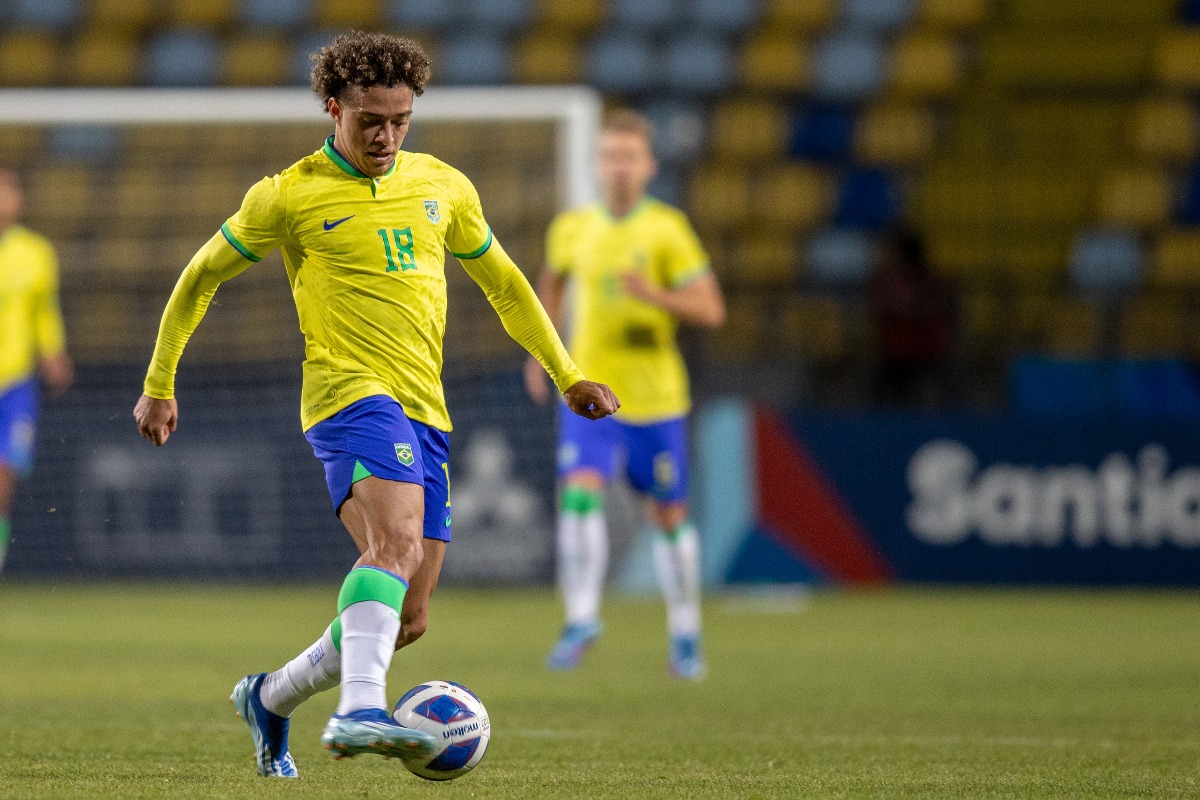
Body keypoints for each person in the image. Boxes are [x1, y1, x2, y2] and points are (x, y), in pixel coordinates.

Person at [133, 31, 618, 779]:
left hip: (426, 408)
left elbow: (507, 286)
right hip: (347, 394)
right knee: (392, 547)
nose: (387, 136)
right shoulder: (287, 194)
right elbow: (200, 277)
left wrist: (566, 373)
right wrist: (160, 382)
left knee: (410, 614)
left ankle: (270, 695)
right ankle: (359, 709)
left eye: (400, 121)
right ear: (335, 108)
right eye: (371, 121)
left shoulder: (445, 187)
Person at [523, 110, 725, 680]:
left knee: (667, 513)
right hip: (591, 393)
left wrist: (656, 294)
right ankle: (581, 616)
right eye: (609, 155)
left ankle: (686, 633)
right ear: (596, 163)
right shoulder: (572, 228)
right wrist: (545, 354)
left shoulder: (667, 229)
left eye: (628, 156)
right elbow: (550, 283)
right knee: (579, 493)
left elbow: (711, 309)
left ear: (649, 165)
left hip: (655, 399)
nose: (618, 167)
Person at [0, 170, 73, 574]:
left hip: (14, 382)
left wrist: (54, 353)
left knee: (4, 473)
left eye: (7, 191)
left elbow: (45, 311)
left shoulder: (35, 252)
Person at [868, 228, 955, 408]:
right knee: (885, 395)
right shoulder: (887, 278)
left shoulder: (933, 280)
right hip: (895, 352)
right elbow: (884, 304)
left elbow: (943, 305)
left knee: (935, 395)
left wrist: (912, 308)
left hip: (926, 351)